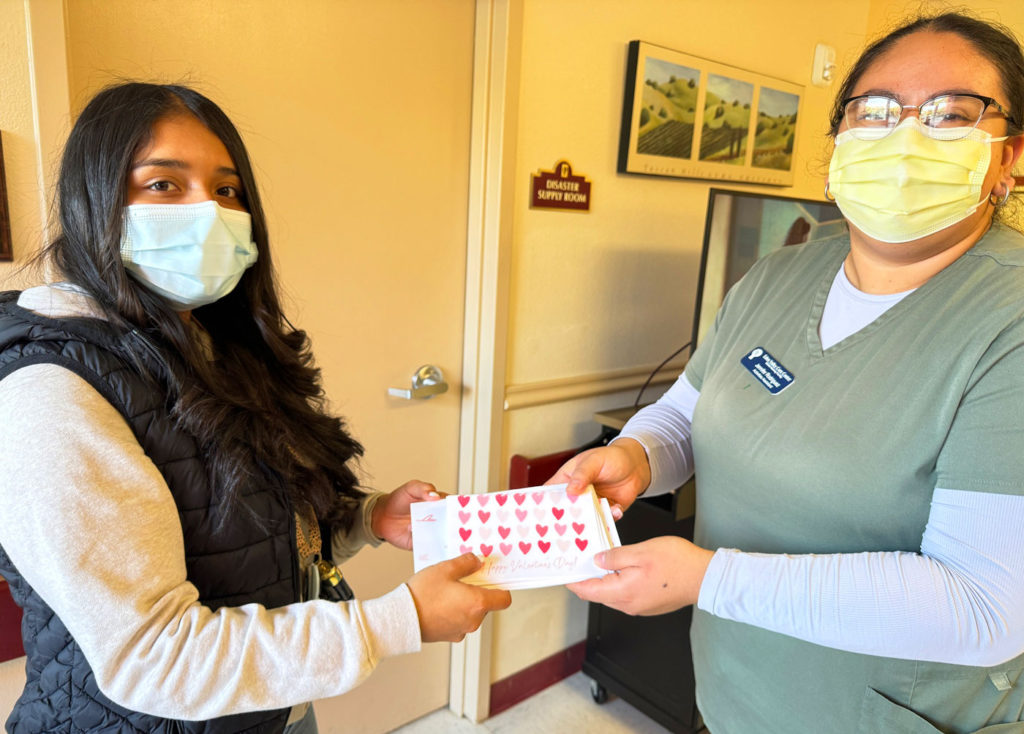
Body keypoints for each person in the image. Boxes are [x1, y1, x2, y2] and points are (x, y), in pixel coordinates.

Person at [551, 12, 1024, 734]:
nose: (904, 138)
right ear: (837, 144)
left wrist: (708, 577)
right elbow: (685, 412)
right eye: (874, 112)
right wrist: (636, 456)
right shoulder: (779, 273)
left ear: (1009, 156)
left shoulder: (1007, 318)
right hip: (732, 691)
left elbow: (984, 606)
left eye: (950, 114)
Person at [0, 82, 511, 734]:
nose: (207, 212)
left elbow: (245, 537)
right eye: (163, 185)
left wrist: (368, 518)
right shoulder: (49, 395)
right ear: (91, 199)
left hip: (268, 711)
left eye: (226, 189)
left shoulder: (210, 346)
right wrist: (399, 620)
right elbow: (154, 657)